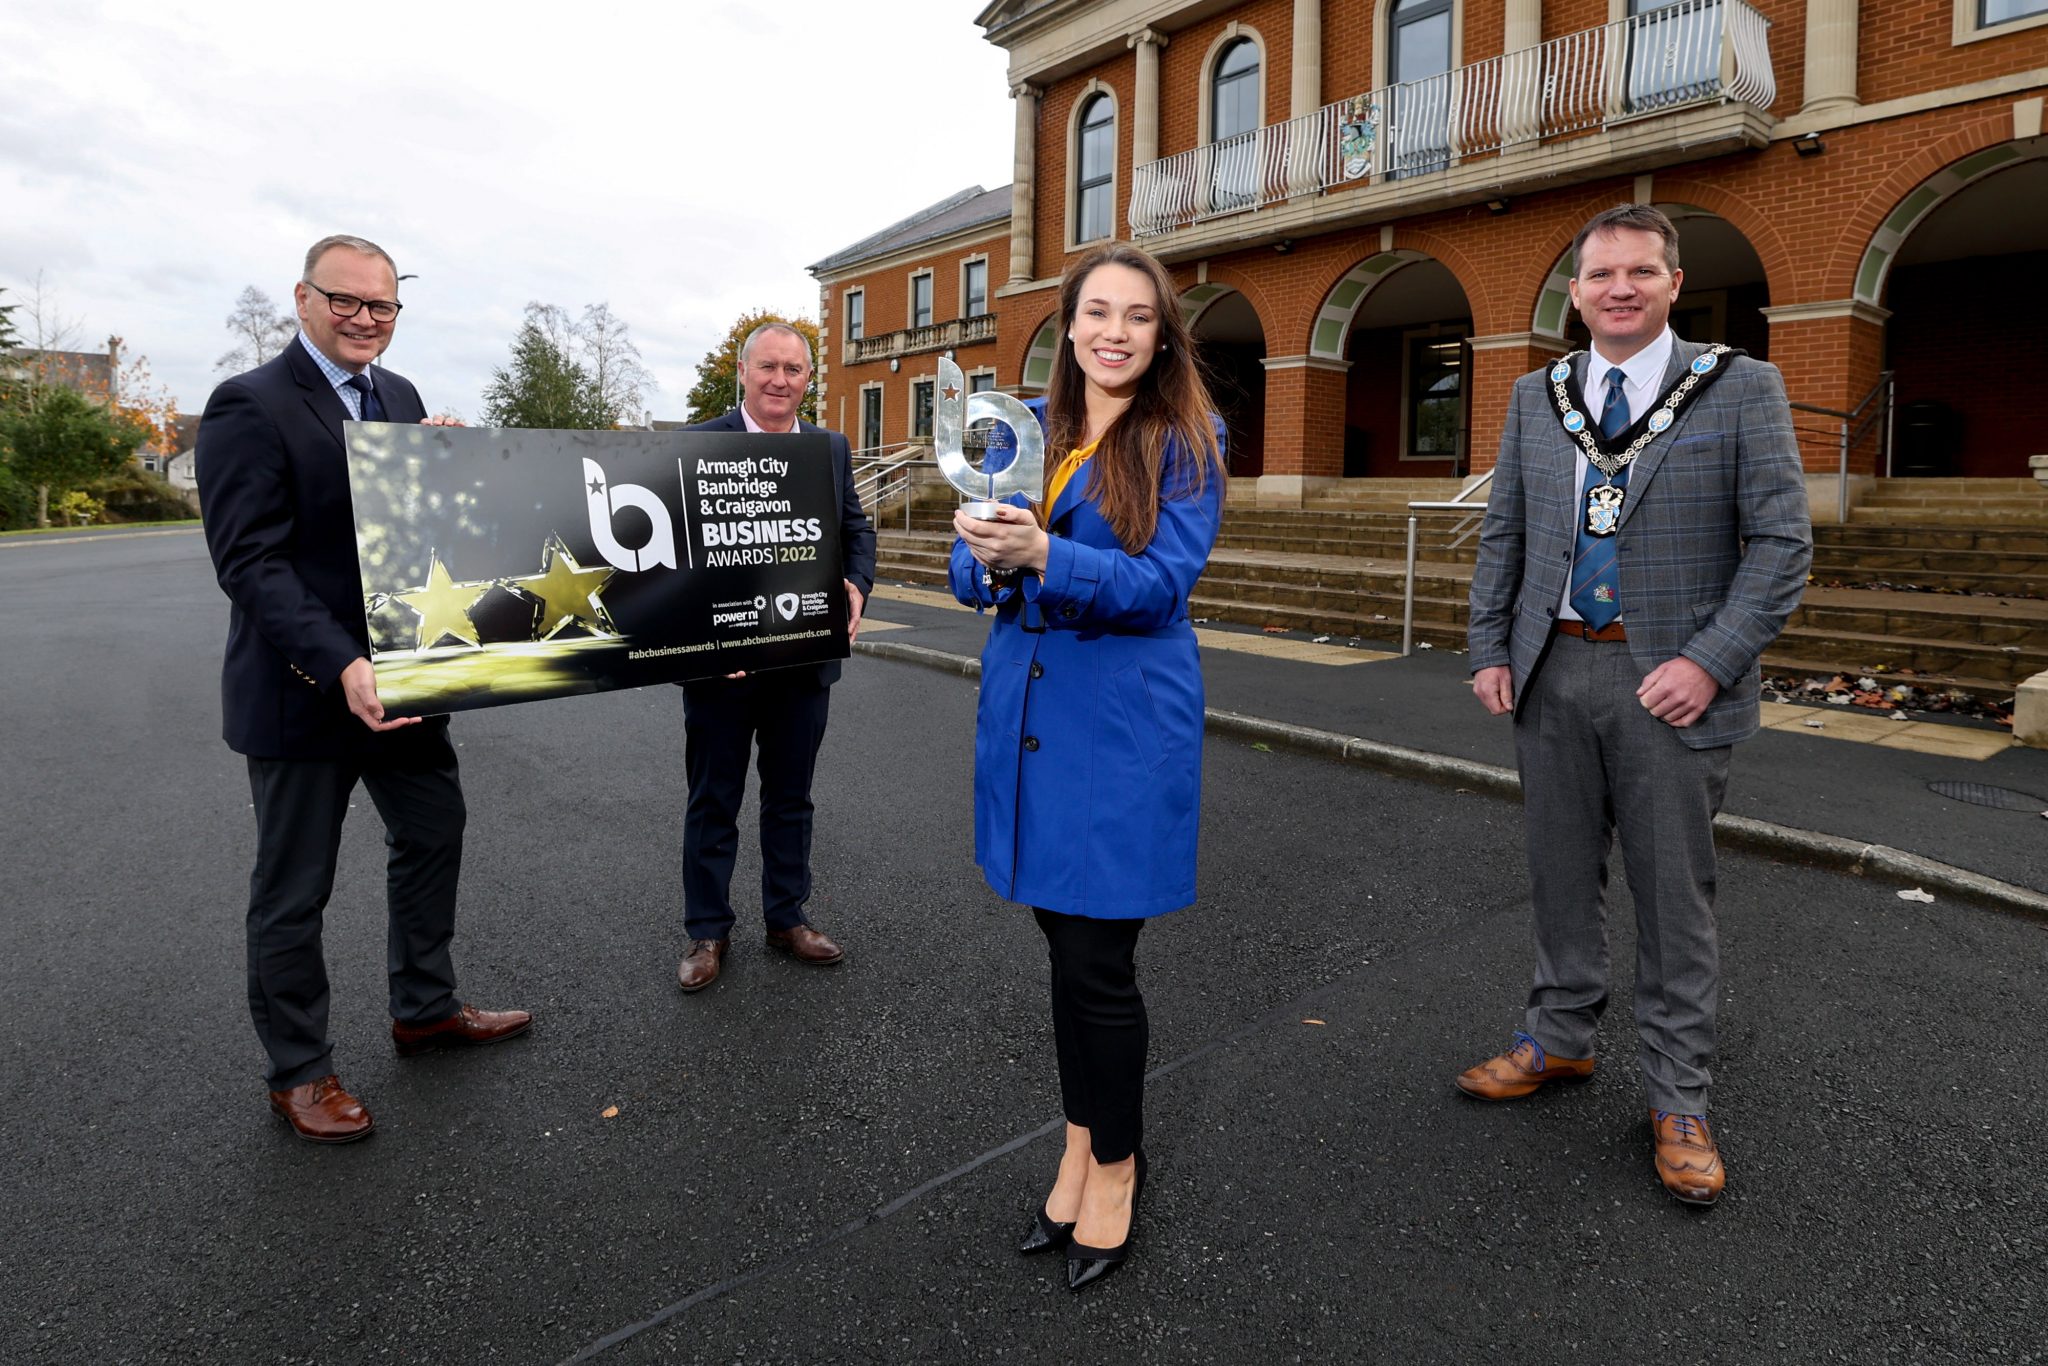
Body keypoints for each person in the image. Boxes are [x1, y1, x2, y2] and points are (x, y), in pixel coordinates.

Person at [1460, 204, 1811, 1206]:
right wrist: (1490, 644)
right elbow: (1505, 532)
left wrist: (1708, 662)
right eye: (1600, 273)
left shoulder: (1739, 388)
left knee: (1672, 898)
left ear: (1669, 283)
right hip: (1551, 671)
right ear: (1573, 292)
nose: (1618, 287)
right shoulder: (1539, 395)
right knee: (1558, 875)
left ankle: (1676, 1096)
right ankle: (1558, 1039)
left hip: (1670, 683)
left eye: (1639, 272)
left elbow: (1781, 546)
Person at [197, 235, 531, 1144]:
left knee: (432, 834)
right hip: (304, 692)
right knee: (293, 889)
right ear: (302, 299)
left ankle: (424, 1009)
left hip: (406, 682)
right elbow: (251, 564)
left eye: (382, 307)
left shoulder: (402, 398)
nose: (364, 320)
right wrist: (341, 661)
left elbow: (415, 533)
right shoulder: (248, 405)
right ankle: (299, 1072)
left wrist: (457, 476)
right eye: (345, 302)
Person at [950, 242, 1226, 1290]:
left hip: (1117, 729)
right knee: (1063, 955)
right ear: (1066, 323)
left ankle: (1115, 1162)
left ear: (1161, 337)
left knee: (1098, 967)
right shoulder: (1031, 429)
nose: (1114, 331)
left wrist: (1043, 557)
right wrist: (980, 551)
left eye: (1137, 316)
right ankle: (1077, 1141)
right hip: (1026, 717)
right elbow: (967, 558)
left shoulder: (1186, 438)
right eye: (1096, 311)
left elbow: (1162, 583)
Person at [674, 322, 877, 992]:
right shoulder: (696, 444)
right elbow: (674, 556)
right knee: (714, 800)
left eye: (794, 369)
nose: (781, 381)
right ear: (742, 368)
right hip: (720, 667)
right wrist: (702, 634)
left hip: (802, 663)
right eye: (769, 367)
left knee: (791, 797)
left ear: (809, 377)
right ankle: (708, 931)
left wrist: (858, 584)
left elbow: (854, 528)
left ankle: (787, 917)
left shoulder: (830, 448)